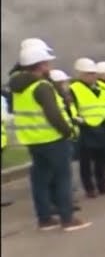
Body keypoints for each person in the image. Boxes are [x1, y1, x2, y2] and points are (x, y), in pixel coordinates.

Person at [8, 41, 90, 231]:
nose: (49, 66)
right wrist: (68, 131)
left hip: (32, 139)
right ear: (41, 65)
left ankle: (44, 219)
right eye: (47, 62)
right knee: (62, 178)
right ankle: (67, 219)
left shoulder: (18, 86)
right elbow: (53, 114)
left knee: (40, 179)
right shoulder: (42, 86)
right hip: (52, 139)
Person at [68, 58, 105, 198]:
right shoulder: (74, 89)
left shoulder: (101, 89)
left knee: (102, 159)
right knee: (86, 162)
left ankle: (103, 185)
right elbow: (71, 109)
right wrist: (80, 121)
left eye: (93, 73)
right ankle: (89, 188)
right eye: (88, 73)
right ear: (80, 74)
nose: (92, 76)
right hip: (86, 129)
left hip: (103, 127)